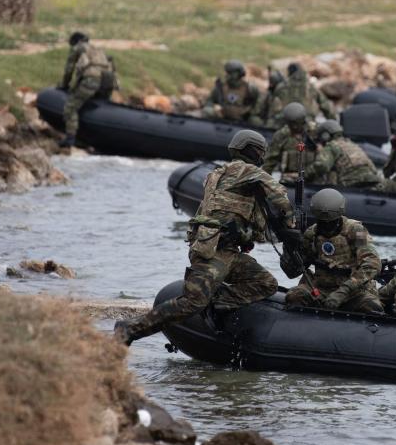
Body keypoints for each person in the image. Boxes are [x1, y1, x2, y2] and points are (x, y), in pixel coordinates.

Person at [113, 130, 294, 345]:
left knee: (265, 283)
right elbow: (280, 195)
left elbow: (233, 215)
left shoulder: (218, 173)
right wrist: (291, 225)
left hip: (226, 251)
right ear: (254, 151)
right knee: (192, 302)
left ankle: (216, 304)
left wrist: (247, 233)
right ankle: (130, 329)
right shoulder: (246, 171)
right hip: (214, 251)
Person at [284, 188, 383, 312]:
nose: (326, 227)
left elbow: (372, 264)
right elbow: (292, 272)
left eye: (330, 222)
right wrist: (288, 246)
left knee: (372, 308)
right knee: (294, 296)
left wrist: (343, 291)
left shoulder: (357, 231)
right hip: (321, 289)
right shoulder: (312, 234)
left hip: (354, 292)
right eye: (322, 222)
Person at [58, 32, 117, 147]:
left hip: (92, 80)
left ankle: (70, 138)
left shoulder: (78, 48)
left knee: (70, 108)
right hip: (107, 82)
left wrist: (64, 85)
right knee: (96, 106)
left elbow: (69, 69)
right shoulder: (97, 49)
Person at [306, 120, 383, 189]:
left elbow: (321, 166)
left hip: (352, 184)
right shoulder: (352, 145)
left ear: (325, 136)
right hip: (372, 182)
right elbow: (373, 168)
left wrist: (303, 175)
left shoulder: (332, 146)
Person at [262, 102, 316, 183]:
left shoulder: (314, 132)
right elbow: (269, 162)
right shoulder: (281, 136)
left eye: (297, 123)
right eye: (292, 123)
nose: (294, 127)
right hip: (289, 180)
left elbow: (323, 161)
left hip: (313, 179)